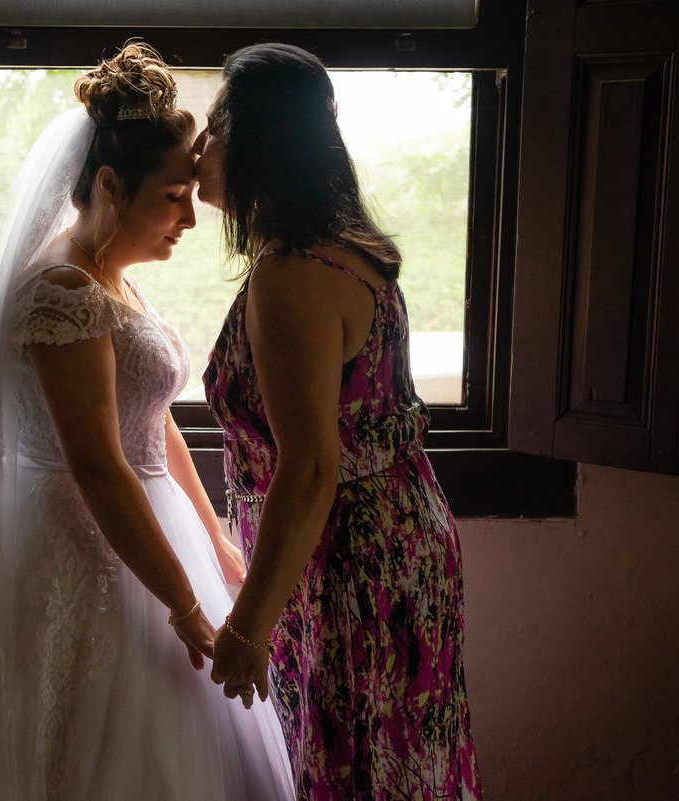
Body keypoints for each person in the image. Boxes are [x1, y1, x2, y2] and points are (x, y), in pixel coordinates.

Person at [0, 42, 294, 801]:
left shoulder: (109, 277)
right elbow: (100, 467)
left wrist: (213, 538)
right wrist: (183, 606)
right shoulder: (61, 293)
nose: (189, 216)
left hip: (152, 524)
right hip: (82, 543)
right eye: (171, 195)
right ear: (110, 185)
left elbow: (150, 419)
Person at [196, 43, 483, 800]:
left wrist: (247, 626)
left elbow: (313, 465)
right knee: (399, 761)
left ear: (258, 141)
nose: (200, 146)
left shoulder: (292, 277)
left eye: (215, 126)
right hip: (397, 538)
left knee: (352, 765)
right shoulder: (352, 249)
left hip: (347, 565)